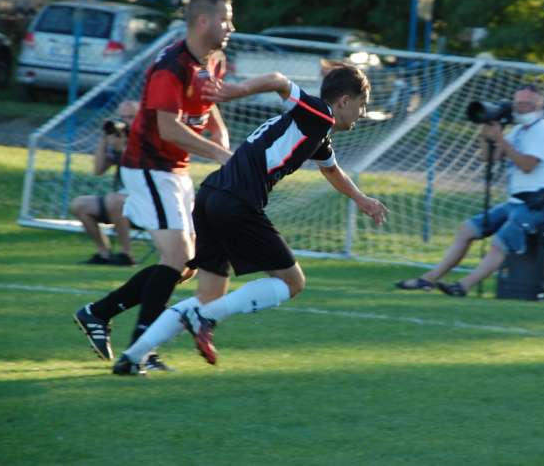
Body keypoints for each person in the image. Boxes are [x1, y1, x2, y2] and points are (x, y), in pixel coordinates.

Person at [111, 62, 389, 375]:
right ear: (344, 102)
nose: (362, 114)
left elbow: (331, 169)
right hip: (237, 203)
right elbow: (278, 80)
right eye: (362, 106)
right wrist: (236, 91)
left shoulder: (316, 131)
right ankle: (204, 319)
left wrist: (361, 199)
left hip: (211, 195)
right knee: (292, 282)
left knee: (208, 295)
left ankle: (133, 357)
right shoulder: (318, 112)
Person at [73, 0, 235, 371]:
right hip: (147, 165)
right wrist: (217, 154)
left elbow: (209, 113)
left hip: (174, 170)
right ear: (203, 21)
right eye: (226, 19)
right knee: (176, 257)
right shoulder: (170, 66)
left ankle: (99, 312)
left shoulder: (214, 61)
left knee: (187, 264)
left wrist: (222, 144)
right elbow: (168, 127)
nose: (232, 27)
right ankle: (141, 347)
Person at [394, 85, 544, 297]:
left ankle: (463, 286)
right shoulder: (518, 130)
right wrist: (487, 132)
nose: (521, 108)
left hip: (538, 203)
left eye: (527, 104)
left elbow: (527, 164)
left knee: (500, 241)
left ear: (540, 104)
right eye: (518, 103)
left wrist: (500, 139)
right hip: (515, 202)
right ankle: (428, 280)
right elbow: (488, 158)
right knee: (467, 230)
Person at [70, 100, 139, 266]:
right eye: (122, 117)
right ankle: (104, 253)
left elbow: (138, 165)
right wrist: (105, 138)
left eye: (131, 117)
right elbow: (98, 170)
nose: (126, 121)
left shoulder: (149, 139)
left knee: (115, 200)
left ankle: (126, 254)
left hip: (146, 201)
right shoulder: (119, 139)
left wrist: (122, 148)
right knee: (79, 204)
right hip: (121, 200)